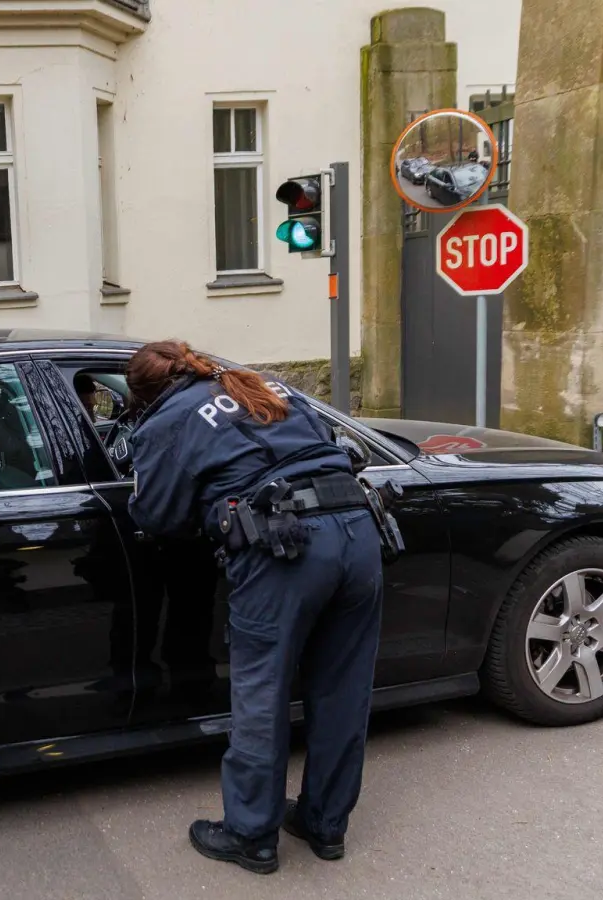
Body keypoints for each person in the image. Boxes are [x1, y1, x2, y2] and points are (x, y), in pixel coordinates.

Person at [122, 339, 384, 875]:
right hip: (359, 533)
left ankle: (250, 835)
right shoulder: (263, 384)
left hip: (284, 550)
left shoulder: (164, 422)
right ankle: (325, 824)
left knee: (262, 694)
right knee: (342, 690)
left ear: (144, 394)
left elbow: (157, 517)